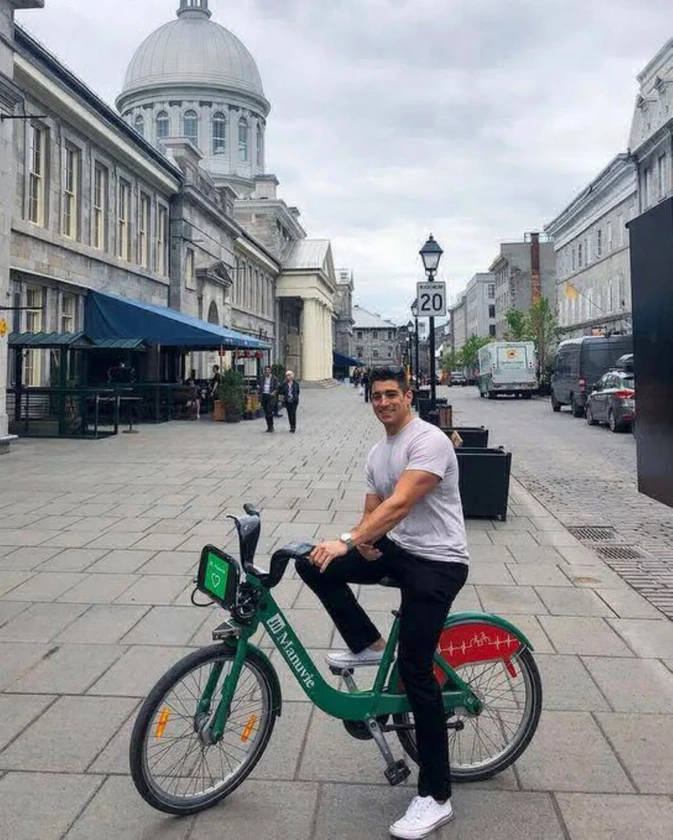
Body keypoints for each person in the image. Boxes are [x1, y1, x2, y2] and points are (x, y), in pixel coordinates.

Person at [296, 365, 469, 839]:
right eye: (376, 396)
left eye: (392, 394)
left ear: (408, 396)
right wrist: (364, 540)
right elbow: (375, 510)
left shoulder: (428, 440)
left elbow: (401, 503)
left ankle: (436, 796)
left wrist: (348, 539)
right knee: (314, 565)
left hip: (438, 563)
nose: (384, 402)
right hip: (401, 550)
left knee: (415, 670)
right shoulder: (378, 452)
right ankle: (369, 645)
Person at [259, 365, 279, 432]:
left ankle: (271, 426)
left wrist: (273, 392)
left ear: (270, 371)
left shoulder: (274, 378)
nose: (267, 371)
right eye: (266, 370)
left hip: (271, 396)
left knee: (269, 411)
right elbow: (260, 386)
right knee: (266, 412)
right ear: (264, 371)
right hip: (264, 395)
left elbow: (277, 387)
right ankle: (269, 426)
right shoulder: (262, 378)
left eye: (268, 370)